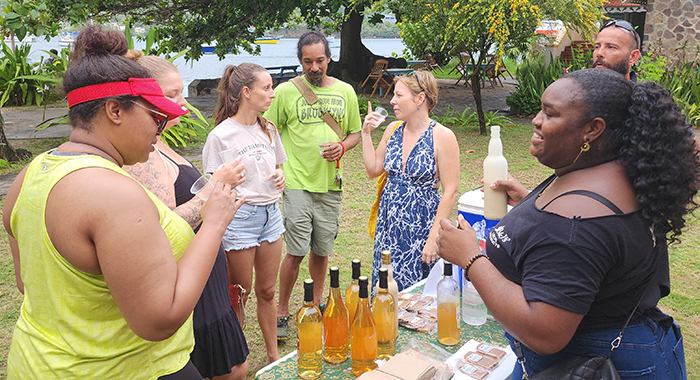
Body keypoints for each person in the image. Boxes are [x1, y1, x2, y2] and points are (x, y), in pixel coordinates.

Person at [2, 25, 243, 379]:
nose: (160, 130)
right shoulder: (114, 193)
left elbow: (28, 284)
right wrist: (215, 223)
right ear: (115, 111)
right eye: (155, 117)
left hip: (38, 363)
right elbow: (161, 319)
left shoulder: (32, 173)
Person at [437, 68, 696, 379]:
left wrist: (471, 258)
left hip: (592, 363)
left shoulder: (575, 224)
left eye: (550, 113)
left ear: (592, 129)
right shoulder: (618, 172)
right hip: (636, 341)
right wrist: (528, 205)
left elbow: (544, 333)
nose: (535, 120)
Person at [123, 52, 250, 380]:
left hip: (205, 263)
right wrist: (215, 190)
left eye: (182, 92)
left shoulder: (158, 142)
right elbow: (160, 229)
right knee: (229, 370)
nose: (182, 103)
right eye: (171, 95)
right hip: (187, 271)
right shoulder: (143, 157)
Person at [263, 31, 361, 339]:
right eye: (308, 62)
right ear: (300, 61)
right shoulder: (286, 92)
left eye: (320, 61)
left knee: (322, 249)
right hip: (296, 183)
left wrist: (342, 147)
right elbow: (268, 131)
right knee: (295, 251)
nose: (314, 67)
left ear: (329, 58)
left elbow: (354, 133)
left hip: (331, 184)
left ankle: (317, 305)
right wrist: (278, 166)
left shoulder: (346, 92)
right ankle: (281, 311)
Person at [201, 63, 287, 363]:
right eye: (267, 88)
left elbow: (277, 168)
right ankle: (236, 361)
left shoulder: (268, 128)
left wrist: (280, 177)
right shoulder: (221, 136)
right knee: (240, 294)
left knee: (267, 290)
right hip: (240, 218)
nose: (272, 94)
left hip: (270, 215)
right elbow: (212, 186)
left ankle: (273, 355)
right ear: (246, 93)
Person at [361, 71, 459, 292]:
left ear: (420, 99)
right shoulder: (393, 130)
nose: (392, 101)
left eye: (398, 95)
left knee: (417, 290)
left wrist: (434, 237)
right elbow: (373, 169)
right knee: (385, 286)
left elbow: (450, 190)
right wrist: (366, 134)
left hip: (421, 226)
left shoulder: (442, 136)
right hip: (389, 224)